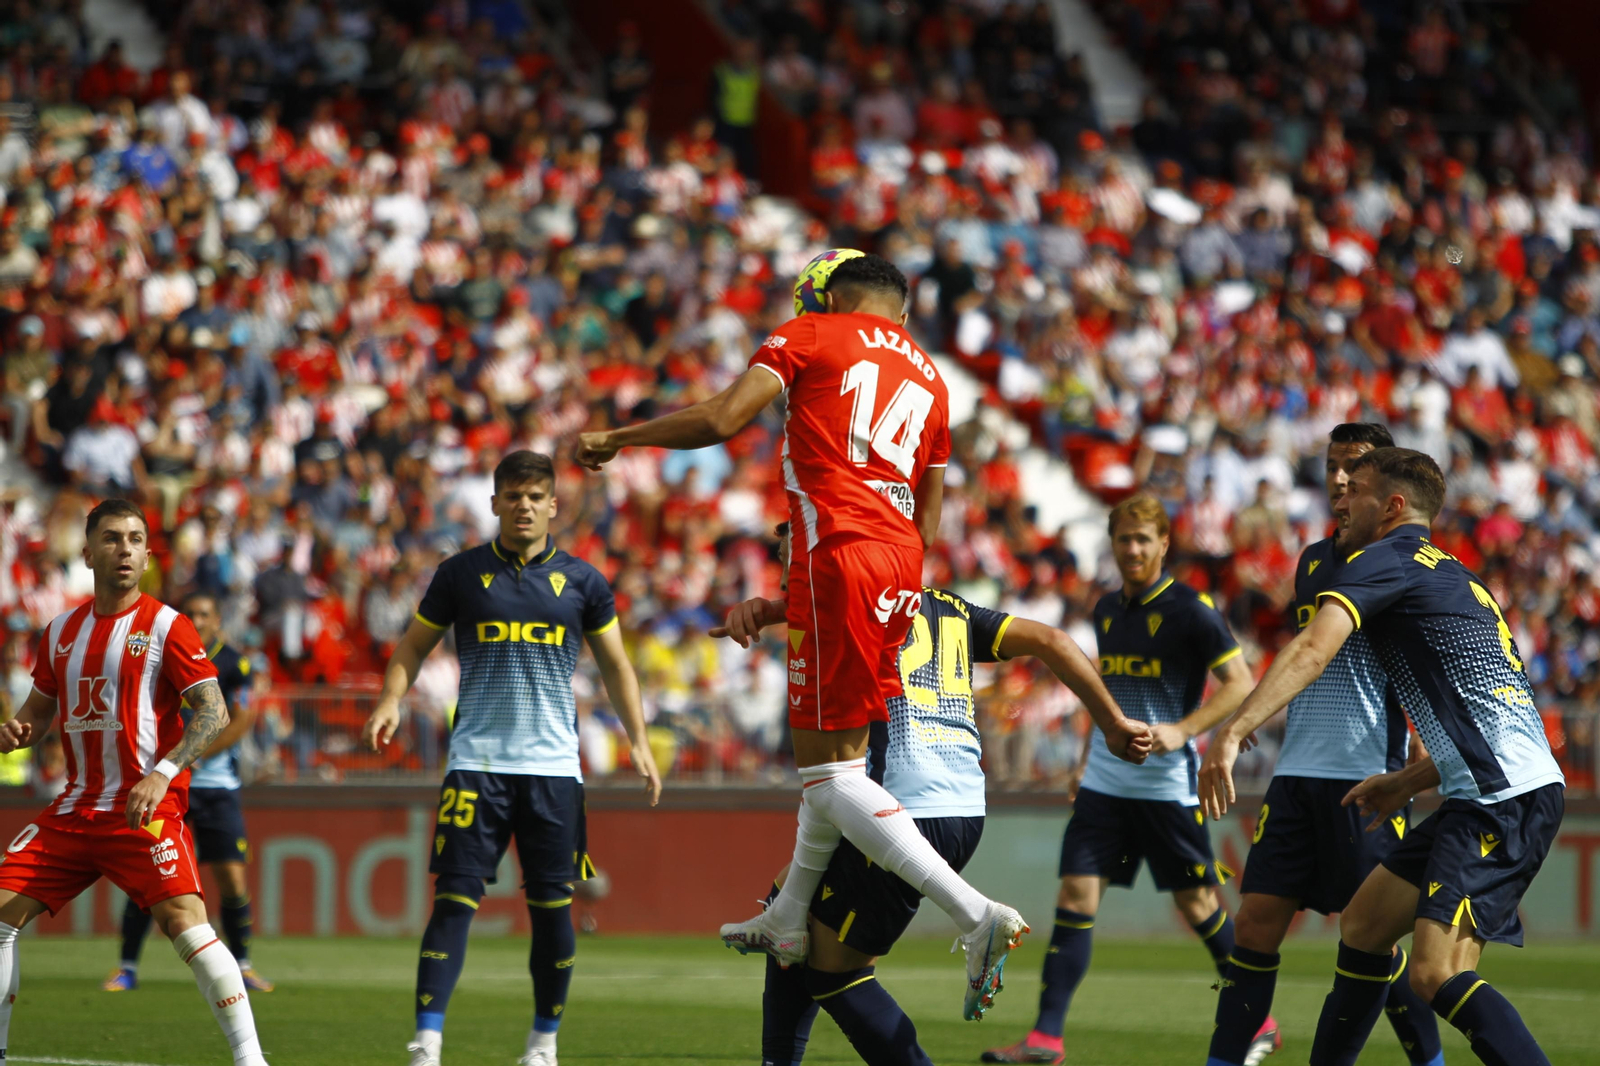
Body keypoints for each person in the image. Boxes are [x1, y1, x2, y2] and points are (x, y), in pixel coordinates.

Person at [576, 256, 1143, 1018]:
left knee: (830, 776)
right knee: (834, 761)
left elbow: (719, 419)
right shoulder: (934, 378)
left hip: (833, 550)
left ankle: (976, 915)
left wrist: (620, 435)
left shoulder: (812, 333)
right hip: (898, 564)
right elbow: (931, 518)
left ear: (834, 299)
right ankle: (786, 915)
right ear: (900, 311)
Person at [717, 524, 1148, 1066]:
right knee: (786, 907)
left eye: (786, 560)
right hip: (964, 808)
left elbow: (838, 605)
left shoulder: (836, 598)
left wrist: (770, 609)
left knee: (834, 973)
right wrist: (1111, 722)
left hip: (895, 812)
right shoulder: (949, 607)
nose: (783, 577)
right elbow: (1054, 640)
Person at [1199, 448, 1566, 1066]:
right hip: (1488, 789)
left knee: (1433, 973)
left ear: (1393, 506)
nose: (1340, 498)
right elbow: (1500, 721)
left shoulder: (1384, 559)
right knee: (1365, 924)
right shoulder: (1457, 576)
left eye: (1357, 489)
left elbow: (1313, 650)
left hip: (1501, 802)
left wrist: (1234, 731)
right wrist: (1408, 779)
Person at [360, 450, 662, 1066]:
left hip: (554, 772)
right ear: (495, 502)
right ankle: (427, 1042)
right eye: (513, 496)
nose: (524, 506)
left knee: (553, 910)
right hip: (477, 764)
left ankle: (543, 1045)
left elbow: (616, 666)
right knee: (454, 899)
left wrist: (638, 739)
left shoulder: (583, 582)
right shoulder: (460, 574)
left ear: (554, 506)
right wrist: (391, 698)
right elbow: (413, 646)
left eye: (536, 497)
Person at [984, 494, 1258, 1065]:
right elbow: (1106, 692)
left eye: (1143, 540)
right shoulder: (1106, 609)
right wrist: (1088, 757)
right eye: (1123, 539)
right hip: (1107, 783)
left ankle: (1258, 1020)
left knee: (1199, 904)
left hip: (1166, 788)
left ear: (1163, 545)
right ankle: (1046, 1040)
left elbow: (1239, 682)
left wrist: (1184, 731)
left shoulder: (1193, 610)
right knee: (1075, 897)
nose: (1132, 549)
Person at [1203, 425, 1444, 1066]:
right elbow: (1305, 658)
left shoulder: (1400, 564)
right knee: (1253, 925)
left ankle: (1433, 1060)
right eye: (1333, 467)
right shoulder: (1314, 559)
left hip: (1368, 775)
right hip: (1296, 771)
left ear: (1385, 485)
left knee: (1374, 943)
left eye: (1355, 469)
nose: (1340, 481)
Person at [0, 499, 268, 1066]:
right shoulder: (60, 633)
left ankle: (251, 1060)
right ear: (88, 550)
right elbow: (38, 715)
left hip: (141, 809)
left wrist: (163, 773)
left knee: (185, 925)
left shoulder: (168, 625)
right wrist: (18, 731)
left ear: (148, 554)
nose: (125, 549)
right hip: (74, 809)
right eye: (113, 538)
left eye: (136, 539)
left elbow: (213, 711)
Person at [105, 591, 274, 993]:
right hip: (162, 784)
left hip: (215, 786)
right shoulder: (160, 656)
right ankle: (126, 967)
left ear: (217, 621)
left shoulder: (235, 662)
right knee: (151, 876)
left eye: (204, 614)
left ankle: (244, 964)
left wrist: (190, 755)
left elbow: (241, 718)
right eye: (190, 614)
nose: (196, 621)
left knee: (232, 879)